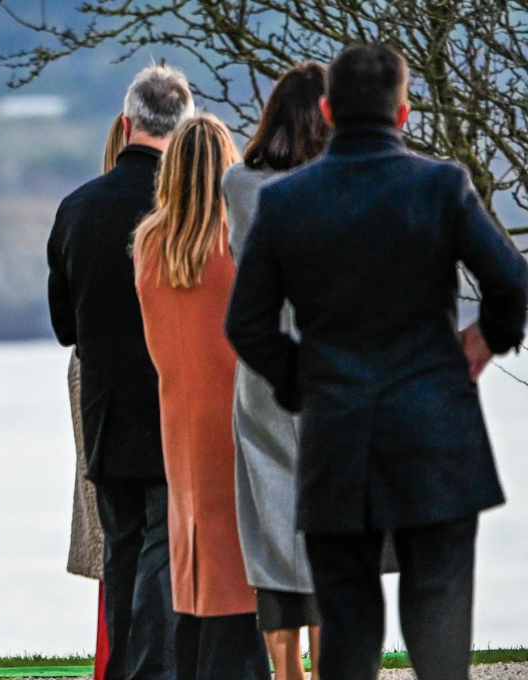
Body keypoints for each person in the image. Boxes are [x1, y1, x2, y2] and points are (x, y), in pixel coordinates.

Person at [225, 44, 528, 680]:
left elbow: (245, 325)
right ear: (405, 112)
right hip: (436, 430)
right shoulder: (440, 186)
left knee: (348, 623)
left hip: (337, 431)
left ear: (330, 109)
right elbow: (511, 282)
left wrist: (299, 381)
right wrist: (479, 343)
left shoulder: (286, 203)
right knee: (439, 617)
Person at [47, 64, 194, 680]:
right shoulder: (192, 204)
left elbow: (64, 326)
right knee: (166, 543)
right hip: (176, 398)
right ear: (185, 127)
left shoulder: (78, 208)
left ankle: (127, 668)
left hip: (107, 406)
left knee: (126, 547)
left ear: (127, 122)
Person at [132, 114, 269, 680]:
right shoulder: (238, 241)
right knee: (239, 565)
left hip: (178, 418)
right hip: (238, 416)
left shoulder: (149, 242)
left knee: (193, 559)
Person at [222, 62, 329, 680]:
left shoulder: (238, 183)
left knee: (270, 524)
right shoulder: (339, 182)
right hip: (328, 362)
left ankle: (285, 672)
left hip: (262, 369)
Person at [65, 113, 129, 680]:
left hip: (92, 370)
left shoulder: (82, 211)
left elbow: (65, 319)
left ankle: (112, 661)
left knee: (112, 521)